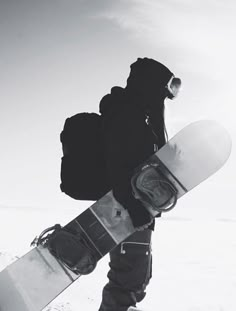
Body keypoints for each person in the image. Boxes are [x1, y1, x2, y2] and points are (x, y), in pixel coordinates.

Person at [98, 57, 181, 311]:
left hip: (136, 211)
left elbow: (140, 164)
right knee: (128, 281)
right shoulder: (128, 114)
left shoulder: (142, 116)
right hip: (126, 210)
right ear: (151, 84)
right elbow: (116, 163)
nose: (163, 100)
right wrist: (132, 206)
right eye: (163, 91)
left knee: (136, 279)